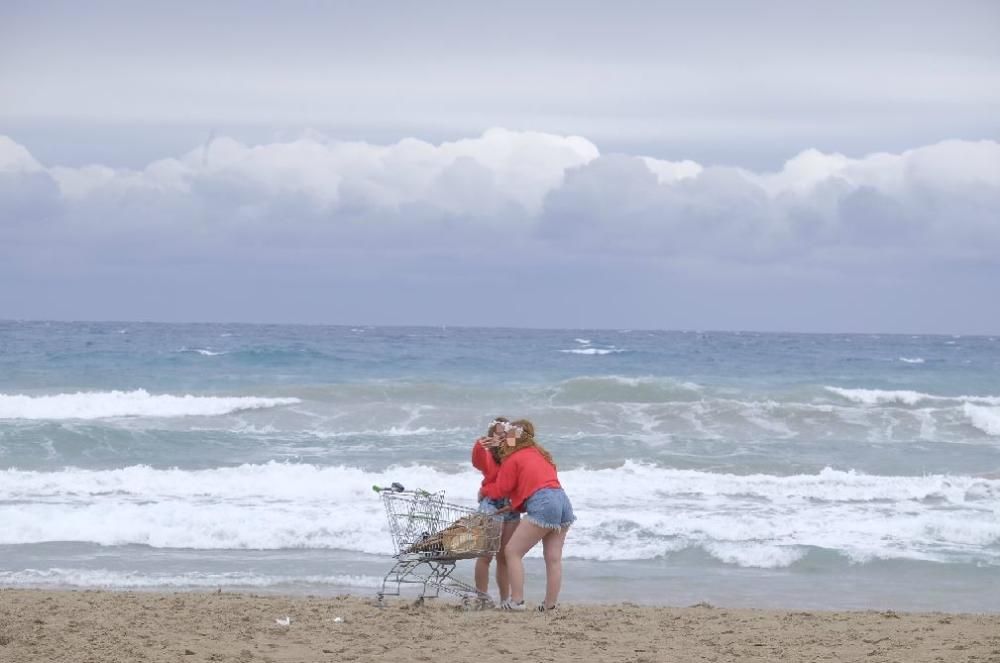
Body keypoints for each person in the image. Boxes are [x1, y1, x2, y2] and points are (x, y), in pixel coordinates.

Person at [483, 419, 574, 612]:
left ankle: (516, 601)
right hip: (563, 501)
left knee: (512, 552)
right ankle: (550, 606)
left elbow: (502, 489)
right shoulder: (541, 454)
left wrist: (486, 492)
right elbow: (539, 483)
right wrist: (516, 505)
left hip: (544, 503)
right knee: (553, 558)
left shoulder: (513, 458)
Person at [471, 417, 521, 606]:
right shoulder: (488, 456)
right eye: (497, 433)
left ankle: (504, 600)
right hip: (491, 505)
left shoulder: (514, 455)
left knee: (505, 556)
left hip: (511, 507)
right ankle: (482, 597)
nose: (501, 437)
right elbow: (478, 461)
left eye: (504, 433)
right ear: (491, 436)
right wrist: (479, 445)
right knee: (485, 555)